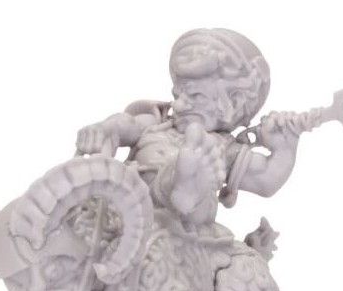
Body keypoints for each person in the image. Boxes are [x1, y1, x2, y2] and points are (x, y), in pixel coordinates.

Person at [76, 28, 306, 229]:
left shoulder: (223, 150)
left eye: (196, 96)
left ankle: (188, 190)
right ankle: (186, 185)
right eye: (177, 94)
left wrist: (285, 147)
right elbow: (126, 125)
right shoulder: (159, 123)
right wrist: (105, 129)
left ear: (233, 103)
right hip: (125, 210)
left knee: (198, 192)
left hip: (180, 230)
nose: (178, 105)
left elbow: (266, 179)